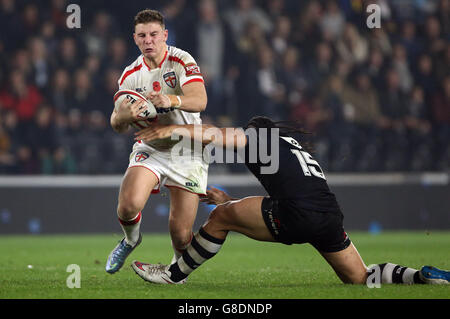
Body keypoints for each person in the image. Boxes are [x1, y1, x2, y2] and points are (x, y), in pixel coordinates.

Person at [129, 116, 450, 285]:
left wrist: (173, 129)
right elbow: (292, 190)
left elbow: (215, 134)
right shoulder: (289, 146)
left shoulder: (259, 138)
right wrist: (230, 200)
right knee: (360, 277)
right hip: (328, 216)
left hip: (298, 212)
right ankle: (418, 277)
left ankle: (172, 275)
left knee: (220, 218)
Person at [106, 9, 209, 274]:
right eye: (142, 36)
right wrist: (123, 116)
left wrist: (172, 100)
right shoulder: (129, 76)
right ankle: (131, 239)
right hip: (151, 146)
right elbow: (116, 125)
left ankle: (176, 272)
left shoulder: (181, 60)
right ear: (135, 39)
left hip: (187, 147)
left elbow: (200, 100)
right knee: (128, 206)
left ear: (164, 35)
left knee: (180, 233)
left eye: (153, 34)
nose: (148, 40)